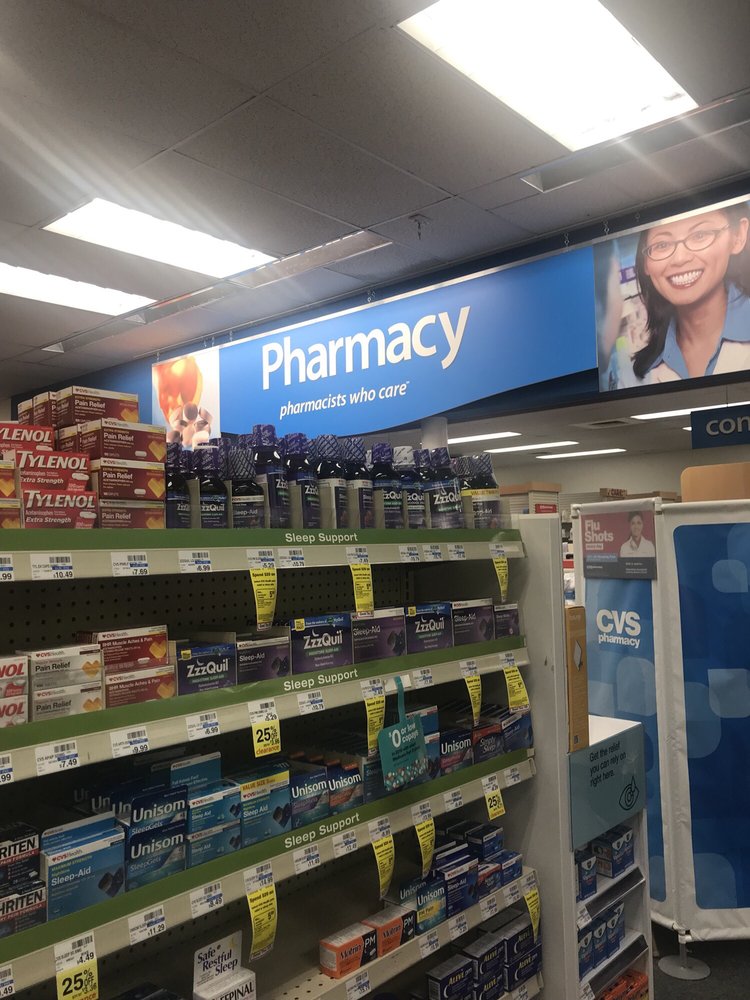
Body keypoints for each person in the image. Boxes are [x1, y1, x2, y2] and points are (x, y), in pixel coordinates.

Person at [632, 203, 750, 382]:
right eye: (662, 245)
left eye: (699, 235)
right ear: (645, 263)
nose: (680, 259)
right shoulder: (639, 373)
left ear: (738, 236)